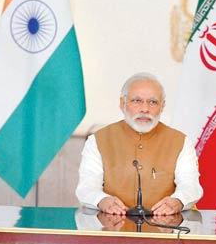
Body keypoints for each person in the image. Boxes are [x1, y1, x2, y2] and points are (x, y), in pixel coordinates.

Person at [76, 72, 203, 216]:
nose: (145, 109)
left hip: (164, 230)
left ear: (162, 106)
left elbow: (190, 186)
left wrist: (178, 201)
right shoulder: (98, 140)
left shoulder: (180, 141)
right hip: (112, 230)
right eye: (137, 101)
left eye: (153, 102)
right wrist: (102, 200)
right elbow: (87, 187)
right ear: (122, 104)